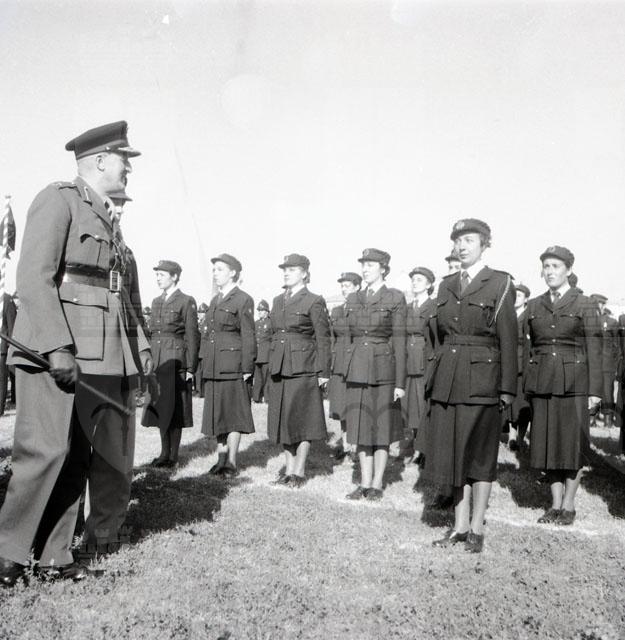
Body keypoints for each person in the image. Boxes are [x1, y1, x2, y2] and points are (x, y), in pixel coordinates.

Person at [0, 121, 152, 587]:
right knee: (43, 451)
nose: (129, 169)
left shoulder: (107, 218)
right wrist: (58, 346)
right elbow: (34, 278)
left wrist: (136, 353)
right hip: (53, 351)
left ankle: (54, 556)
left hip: (94, 355)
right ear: (100, 160)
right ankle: (6, 553)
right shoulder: (59, 199)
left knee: (74, 457)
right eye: (124, 159)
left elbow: (115, 294)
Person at [424, 219, 517, 553]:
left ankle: (477, 527)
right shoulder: (446, 284)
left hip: (482, 381)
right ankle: (459, 526)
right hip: (448, 380)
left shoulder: (500, 282)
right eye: (458, 241)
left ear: (484, 244)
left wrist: (507, 388)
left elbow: (509, 338)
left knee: (479, 456)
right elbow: (438, 336)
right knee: (454, 455)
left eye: (469, 240)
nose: (462, 246)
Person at [79, 188, 149, 559]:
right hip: (81, 353)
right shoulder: (78, 242)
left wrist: (142, 353)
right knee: (73, 448)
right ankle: (62, 531)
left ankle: (104, 531)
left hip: (119, 356)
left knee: (115, 448)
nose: (116, 210)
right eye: (111, 202)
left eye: (121, 204)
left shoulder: (127, 254)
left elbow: (132, 305)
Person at [525, 247, 602, 526]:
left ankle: (569, 505)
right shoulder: (535, 305)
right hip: (543, 381)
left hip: (574, 383)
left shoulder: (585, 304)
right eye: (546, 266)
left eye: (555, 266)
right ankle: (554, 504)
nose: (550, 271)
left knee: (571, 445)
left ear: (568, 270)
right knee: (546, 443)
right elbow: (530, 348)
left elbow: (595, 349)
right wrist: (528, 384)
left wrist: (595, 391)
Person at [343, 248, 406, 501]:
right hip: (357, 369)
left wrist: (400, 382)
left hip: (383, 371)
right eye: (363, 264)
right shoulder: (354, 298)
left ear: (383, 268)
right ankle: (364, 482)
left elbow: (399, 341)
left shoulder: (394, 297)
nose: (365, 269)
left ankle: (377, 484)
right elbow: (347, 337)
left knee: (381, 427)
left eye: (370, 265)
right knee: (360, 426)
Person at [267, 254, 330, 487]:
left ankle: (299, 471)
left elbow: (323, 338)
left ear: (304, 273)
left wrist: (324, 372)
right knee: (284, 418)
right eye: (285, 269)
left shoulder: (314, 300)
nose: (286, 273)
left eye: (292, 269)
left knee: (302, 420)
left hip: (303, 367)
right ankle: (288, 470)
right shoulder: (277, 300)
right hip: (280, 366)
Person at [200, 254, 255, 476]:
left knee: (233, 415)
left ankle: (231, 462)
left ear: (233, 272)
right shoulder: (215, 300)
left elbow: (248, 335)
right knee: (218, 414)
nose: (215, 273)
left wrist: (247, 367)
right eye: (214, 269)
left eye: (220, 269)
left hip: (233, 365)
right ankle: (221, 459)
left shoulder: (243, 299)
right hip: (214, 364)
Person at [142, 260, 199, 467]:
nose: (158, 278)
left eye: (162, 275)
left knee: (175, 409)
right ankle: (163, 453)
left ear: (174, 277)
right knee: (160, 407)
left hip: (176, 360)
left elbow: (192, 335)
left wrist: (191, 367)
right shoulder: (156, 301)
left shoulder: (186, 301)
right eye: (156, 275)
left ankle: (173, 456)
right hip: (158, 361)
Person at [402, 267, 436, 464]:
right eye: (413, 279)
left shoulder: (433, 306)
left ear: (429, 284)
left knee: (423, 405)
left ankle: (424, 450)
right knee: (411, 406)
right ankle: (416, 445)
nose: (415, 283)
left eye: (419, 280)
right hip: (409, 361)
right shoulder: (407, 307)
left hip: (424, 360)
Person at [328, 272, 362, 461]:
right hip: (339, 364)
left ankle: (356, 446)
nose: (343, 289)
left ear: (357, 287)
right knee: (341, 406)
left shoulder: (364, 310)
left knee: (355, 407)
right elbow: (332, 339)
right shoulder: (337, 311)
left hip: (357, 363)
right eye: (342, 285)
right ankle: (346, 444)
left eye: (347, 285)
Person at [506, 283, 532, 450]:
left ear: (526, 299)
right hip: (508, 363)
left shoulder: (528, 317)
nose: (516, 299)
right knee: (509, 401)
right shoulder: (507, 314)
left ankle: (520, 437)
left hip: (523, 364)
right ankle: (511, 436)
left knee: (522, 402)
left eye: (520, 296)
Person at [590, 294, 619, 427]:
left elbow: (616, 345)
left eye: (599, 304)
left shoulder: (611, 322)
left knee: (607, 392)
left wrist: (614, 363)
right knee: (593, 391)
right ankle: (592, 419)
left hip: (606, 364)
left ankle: (607, 420)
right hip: (594, 363)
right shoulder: (588, 321)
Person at [252, 299, 272, 403]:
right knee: (258, 378)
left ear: (267, 311)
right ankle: (256, 398)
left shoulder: (271, 323)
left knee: (267, 378)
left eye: (262, 310)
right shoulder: (256, 323)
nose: (259, 312)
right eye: (258, 310)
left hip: (267, 355)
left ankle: (267, 398)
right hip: (258, 355)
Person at [0, 293, 17, 414]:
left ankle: (0, 408)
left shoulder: (7, 300)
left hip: (2, 347)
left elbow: (11, 325)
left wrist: (11, 346)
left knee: (1, 378)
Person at [194, 302, 209, 397]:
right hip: (198, 352)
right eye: (199, 312)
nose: (200, 314)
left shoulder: (208, 324)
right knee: (198, 373)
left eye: (202, 312)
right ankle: (199, 391)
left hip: (205, 352)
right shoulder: (198, 324)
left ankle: (204, 391)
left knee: (205, 372)